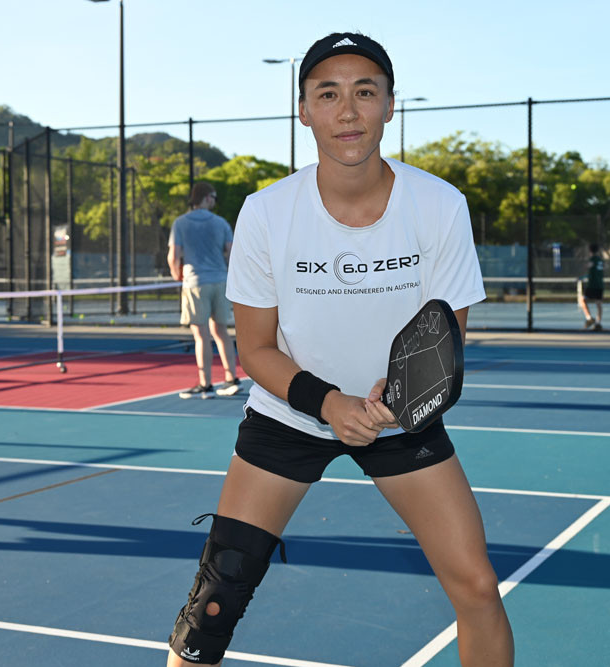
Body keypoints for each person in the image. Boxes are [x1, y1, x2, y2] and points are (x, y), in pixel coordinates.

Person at [166, 32, 513, 667]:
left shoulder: (439, 204)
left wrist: (394, 401)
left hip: (398, 420)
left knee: (479, 589)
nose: (347, 110)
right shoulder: (267, 213)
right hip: (290, 415)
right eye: (328, 93)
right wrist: (328, 403)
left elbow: (445, 333)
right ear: (304, 110)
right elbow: (258, 350)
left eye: (364, 92)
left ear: (388, 105)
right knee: (212, 605)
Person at [168, 182, 242, 399]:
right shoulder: (221, 223)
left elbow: (173, 256)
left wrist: (177, 274)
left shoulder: (180, 223)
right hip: (219, 281)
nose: (215, 202)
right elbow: (232, 252)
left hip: (195, 283)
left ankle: (206, 384)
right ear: (207, 197)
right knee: (221, 332)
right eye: (214, 198)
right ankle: (231, 379)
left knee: (201, 336)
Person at [580, 243, 604, 331]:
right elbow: (605, 267)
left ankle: (589, 318)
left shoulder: (593, 259)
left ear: (590, 250)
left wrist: (582, 274)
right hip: (600, 285)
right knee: (598, 303)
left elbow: (587, 266)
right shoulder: (600, 260)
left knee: (582, 300)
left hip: (593, 285)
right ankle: (598, 322)